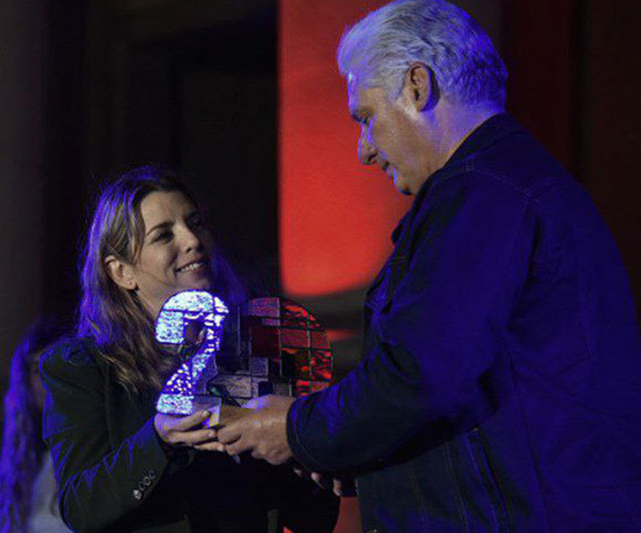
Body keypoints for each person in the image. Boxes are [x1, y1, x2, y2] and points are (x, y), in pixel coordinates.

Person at [216, 0, 641, 531]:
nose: (364, 151)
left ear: (418, 86)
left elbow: (419, 376)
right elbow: (471, 390)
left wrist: (295, 428)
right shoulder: (512, 185)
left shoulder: (480, 195)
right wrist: (366, 455)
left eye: (367, 118)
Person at [40, 166, 339, 532]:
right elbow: (81, 508)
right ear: (121, 272)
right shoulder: (82, 367)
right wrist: (159, 439)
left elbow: (314, 515)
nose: (192, 240)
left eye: (195, 223)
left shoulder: (257, 351)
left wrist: (304, 448)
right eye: (164, 235)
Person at [0, 318, 70, 533]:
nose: (47, 381)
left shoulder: (96, 455)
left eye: (55, 367)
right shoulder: (11, 471)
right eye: (37, 370)